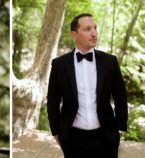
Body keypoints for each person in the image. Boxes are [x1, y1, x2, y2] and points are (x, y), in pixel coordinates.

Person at [47, 13, 127, 158]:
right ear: (74, 34)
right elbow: (53, 100)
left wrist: (120, 129)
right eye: (87, 29)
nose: (94, 33)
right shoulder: (59, 64)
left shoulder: (110, 62)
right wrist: (56, 131)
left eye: (95, 28)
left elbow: (120, 96)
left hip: (106, 137)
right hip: (72, 138)